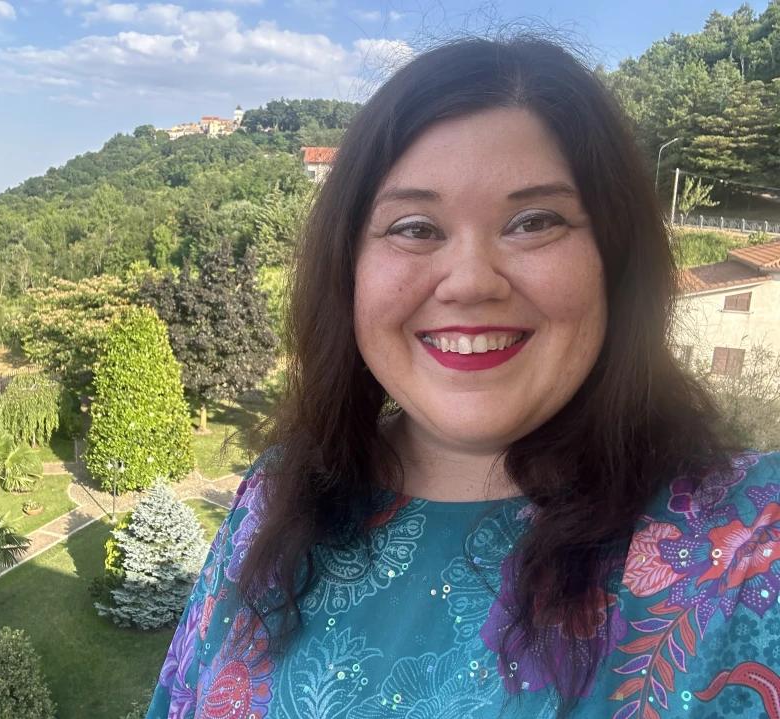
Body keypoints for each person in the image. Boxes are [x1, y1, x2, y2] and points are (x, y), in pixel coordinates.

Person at [145, 37, 780, 719]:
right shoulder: (272, 497)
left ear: (614, 259)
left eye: (534, 222)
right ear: (348, 269)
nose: (471, 281)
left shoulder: (750, 541)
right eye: (416, 227)